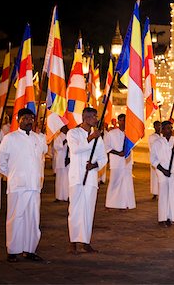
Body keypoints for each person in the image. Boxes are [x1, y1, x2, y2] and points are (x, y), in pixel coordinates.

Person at [0, 108, 47, 262]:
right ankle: (13, 250)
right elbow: (1, 161)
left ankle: (29, 250)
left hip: (34, 186)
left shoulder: (38, 138)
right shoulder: (10, 138)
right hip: (17, 185)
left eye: (31, 118)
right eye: (25, 118)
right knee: (15, 217)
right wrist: (13, 175)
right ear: (18, 119)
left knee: (32, 218)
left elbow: (42, 157)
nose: (28, 121)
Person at [67, 107, 107, 253]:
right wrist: (90, 138)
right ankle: (73, 241)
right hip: (77, 177)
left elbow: (103, 157)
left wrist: (94, 165)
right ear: (86, 117)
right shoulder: (73, 133)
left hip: (90, 178)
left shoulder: (98, 138)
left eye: (96, 116)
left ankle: (85, 241)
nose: (96, 119)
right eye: (94, 116)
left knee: (88, 210)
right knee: (75, 209)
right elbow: (75, 149)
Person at [150, 120, 174, 227]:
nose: (170, 130)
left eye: (171, 128)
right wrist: (163, 170)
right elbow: (153, 160)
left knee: (173, 195)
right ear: (162, 130)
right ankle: (162, 218)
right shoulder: (157, 143)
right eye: (168, 128)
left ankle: (171, 217)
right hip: (162, 172)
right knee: (164, 195)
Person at [104, 114, 136, 210]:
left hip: (127, 162)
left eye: (125, 121)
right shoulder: (112, 133)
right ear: (118, 121)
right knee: (115, 182)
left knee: (126, 183)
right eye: (121, 120)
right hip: (116, 162)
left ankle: (125, 204)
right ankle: (110, 203)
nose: (123, 122)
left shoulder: (130, 135)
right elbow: (106, 147)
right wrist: (118, 153)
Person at [53, 125, 70, 202]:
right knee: (60, 179)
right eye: (65, 127)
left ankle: (67, 196)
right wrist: (64, 142)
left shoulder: (70, 136)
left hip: (68, 160)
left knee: (67, 179)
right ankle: (59, 196)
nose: (66, 129)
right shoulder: (58, 136)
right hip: (60, 159)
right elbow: (56, 147)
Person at [148, 121, 161, 200]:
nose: (158, 127)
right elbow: (152, 148)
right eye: (157, 126)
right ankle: (155, 192)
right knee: (154, 176)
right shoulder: (152, 137)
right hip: (155, 158)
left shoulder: (162, 136)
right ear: (154, 127)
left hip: (162, 159)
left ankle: (161, 192)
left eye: (159, 126)